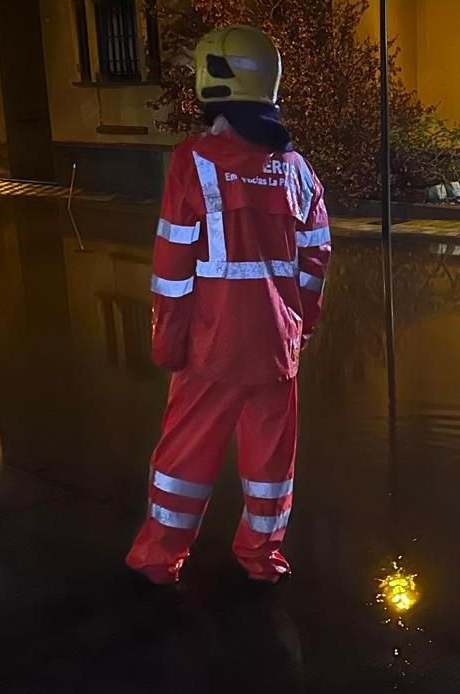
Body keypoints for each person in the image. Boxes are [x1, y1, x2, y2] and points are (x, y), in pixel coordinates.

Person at [126, 26, 331, 586]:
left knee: (185, 457)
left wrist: (168, 344)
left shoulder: (193, 162)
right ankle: (261, 559)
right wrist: (298, 330)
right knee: (270, 463)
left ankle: (159, 559)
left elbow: (172, 268)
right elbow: (315, 261)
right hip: (274, 350)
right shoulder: (297, 169)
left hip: (211, 350)